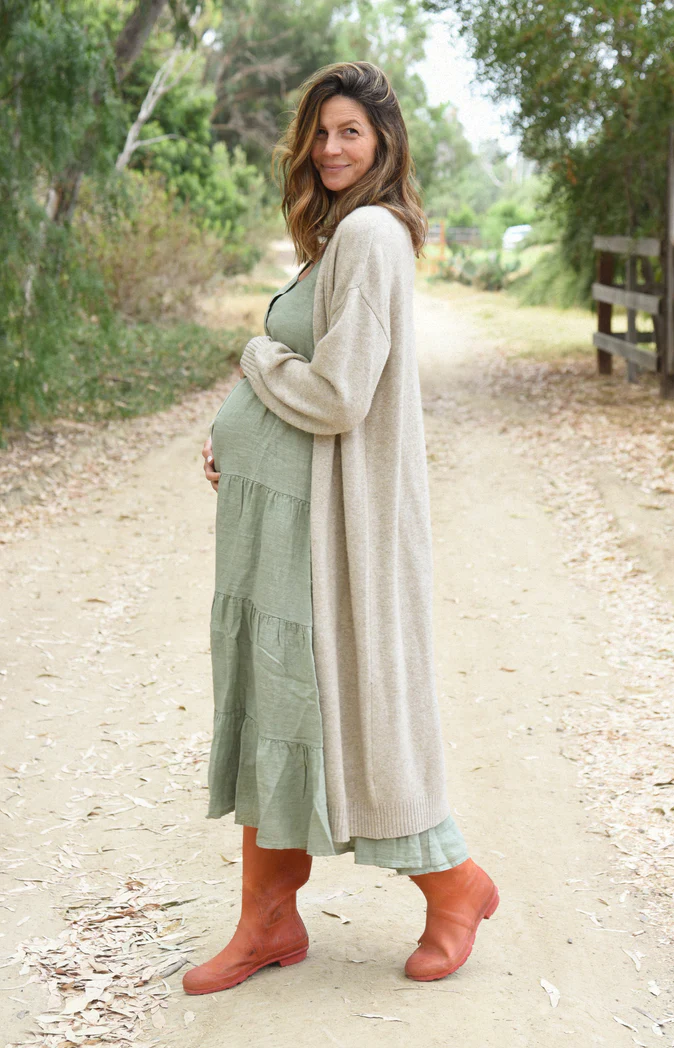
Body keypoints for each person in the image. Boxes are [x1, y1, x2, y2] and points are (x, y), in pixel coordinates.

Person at [184, 61, 498, 997]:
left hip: (319, 528)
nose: (329, 149)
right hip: (275, 516)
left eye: (349, 132)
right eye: (320, 132)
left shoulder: (367, 233)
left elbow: (335, 395)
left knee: (343, 708)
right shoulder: (341, 238)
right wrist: (231, 440)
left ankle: (455, 886)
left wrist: (252, 356)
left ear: (385, 143)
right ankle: (269, 919)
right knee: (276, 702)